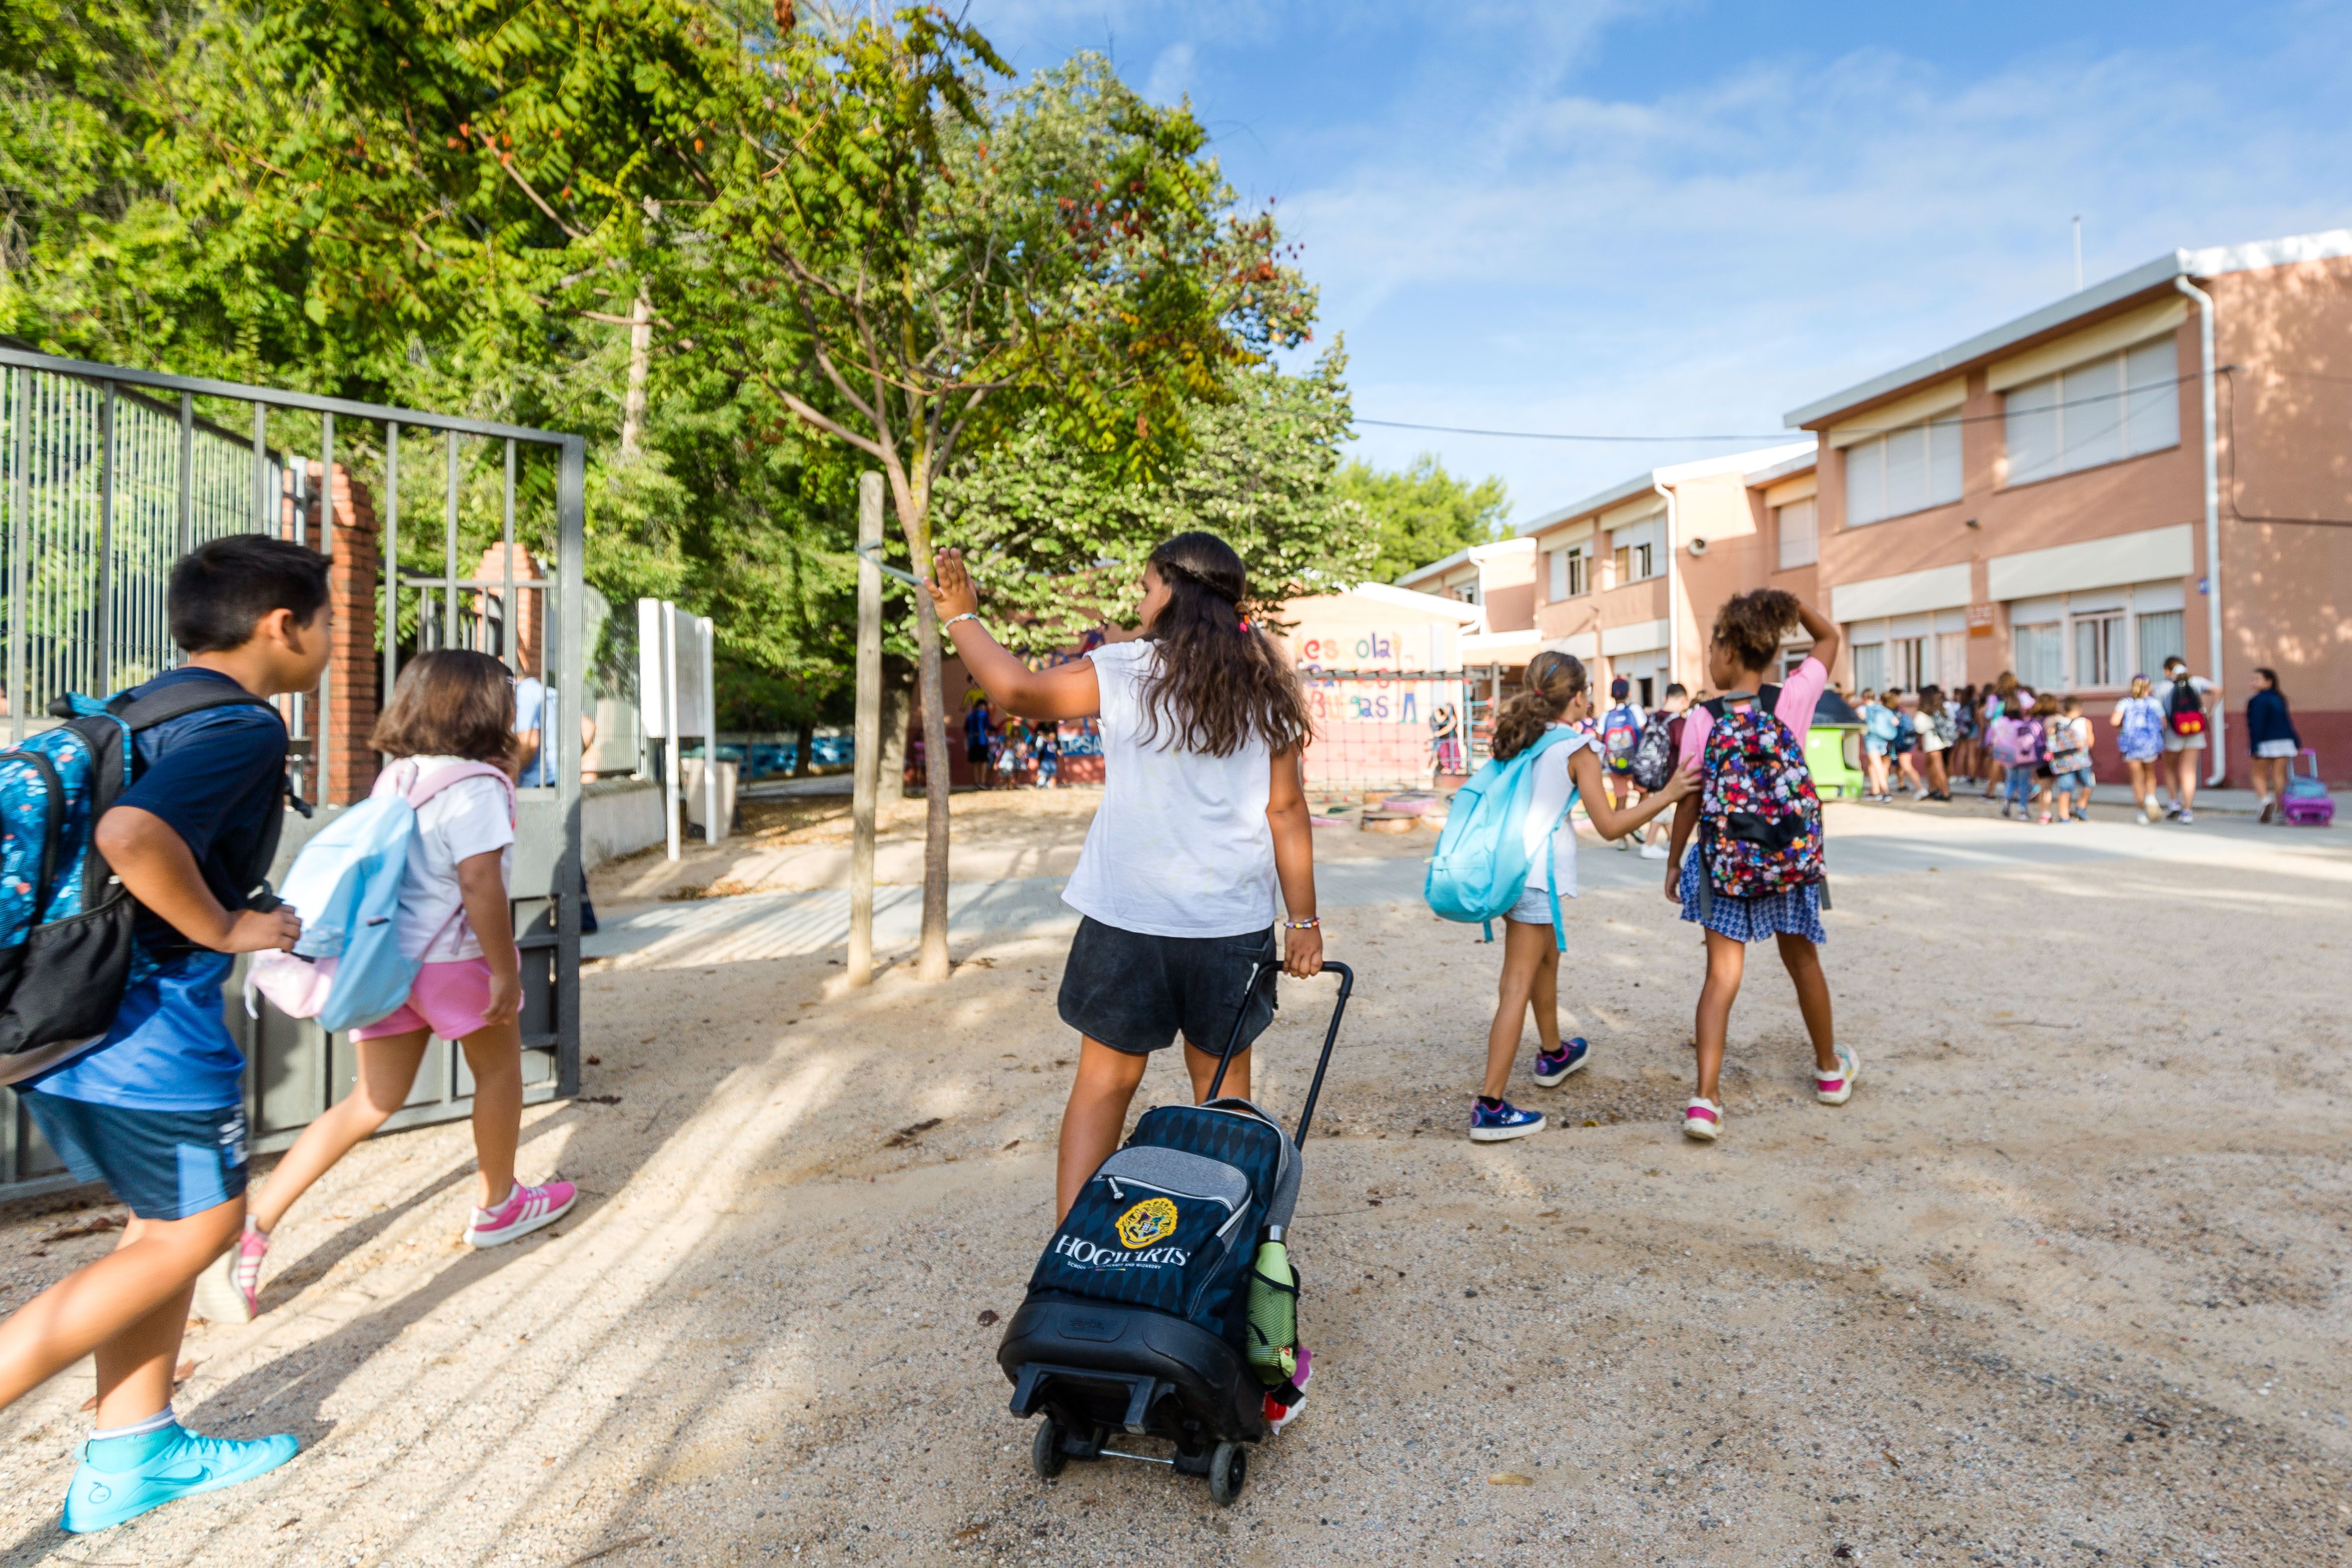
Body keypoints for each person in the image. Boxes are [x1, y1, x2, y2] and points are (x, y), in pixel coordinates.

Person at [0, 538, 323, 1532]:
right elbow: (130, 838)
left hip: (61, 1018)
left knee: (160, 1228)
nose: (329, 640)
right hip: (144, 1032)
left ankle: (134, 1449)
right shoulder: (242, 729)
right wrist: (227, 927)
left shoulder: (143, 707)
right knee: (200, 1228)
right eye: (328, 622)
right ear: (281, 625)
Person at [923, 533, 1322, 1225]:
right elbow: (1286, 809)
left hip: (1128, 919)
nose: (1138, 601)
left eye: (1145, 586)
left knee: (1105, 1083)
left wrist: (962, 614)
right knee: (1224, 1100)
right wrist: (1305, 922)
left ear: (1173, 589)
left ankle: (1070, 1260)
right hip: (1229, 926)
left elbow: (1016, 689)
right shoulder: (1269, 685)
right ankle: (1220, 1260)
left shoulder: (1126, 669)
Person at [209, 650, 578, 1323]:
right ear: (481, 707)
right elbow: (480, 885)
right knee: (498, 1075)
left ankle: (252, 1228)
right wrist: (503, 970)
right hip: (456, 960)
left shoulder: (398, 777)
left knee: (368, 1102)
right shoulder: (481, 787)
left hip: (383, 961)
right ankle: (499, 1203)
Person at [1467, 653, 1695, 1143]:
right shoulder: (1577, 749)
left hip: (1510, 872)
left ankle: (1553, 1053)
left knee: (1546, 960)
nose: (1589, 697)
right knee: (1517, 984)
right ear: (1574, 698)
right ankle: (1489, 1105)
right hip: (1532, 878)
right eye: (1586, 689)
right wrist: (1669, 793)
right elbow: (1611, 825)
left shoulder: (1521, 739)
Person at [1662, 590, 1853, 1144]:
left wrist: (1674, 862)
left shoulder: (1701, 718)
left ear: (1727, 650)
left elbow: (1690, 799)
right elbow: (1828, 637)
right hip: (1786, 859)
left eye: (1712, 647)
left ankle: (1705, 1100)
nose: (1709, 659)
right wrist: (1788, 605)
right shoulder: (1791, 699)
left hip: (1723, 863)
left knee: (1721, 977)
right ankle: (1828, 1071)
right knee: (1803, 963)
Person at [2156, 655, 2214, 823]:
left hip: (2173, 732)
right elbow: (2218, 690)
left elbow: (2160, 715)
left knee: (2170, 768)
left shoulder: (2162, 688)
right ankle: (2187, 810)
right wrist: (2208, 713)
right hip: (2195, 730)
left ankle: (2174, 802)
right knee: (2189, 771)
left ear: (2167, 671)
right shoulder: (2196, 682)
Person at [1637, 684, 1692, 859]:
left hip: (1650, 772)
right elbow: (1686, 750)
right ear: (1683, 700)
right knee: (1662, 806)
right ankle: (1649, 844)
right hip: (1668, 773)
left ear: (1665, 698)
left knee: (1664, 808)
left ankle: (1673, 841)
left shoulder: (1653, 717)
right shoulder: (1679, 723)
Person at [2110, 676, 2169, 822]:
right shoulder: (2154, 703)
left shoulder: (2125, 703)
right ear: (2148, 687)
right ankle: (2150, 797)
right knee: (2150, 774)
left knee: (2137, 778)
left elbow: (2114, 721)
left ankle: (2141, 811)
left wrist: (2124, 727)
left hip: (2131, 746)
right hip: (2150, 745)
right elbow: (2164, 723)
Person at [2246, 667, 2301, 824]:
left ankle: (2265, 800)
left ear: (2269, 681)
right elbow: (2287, 722)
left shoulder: (2257, 700)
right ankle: (2281, 810)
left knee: (2258, 774)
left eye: (2257, 679)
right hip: (2284, 742)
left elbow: (2256, 725)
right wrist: (2296, 742)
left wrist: (2255, 746)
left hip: (2265, 742)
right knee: (2279, 776)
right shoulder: (2279, 698)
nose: (2253, 682)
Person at [1599, 677, 1647, 849]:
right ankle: (1634, 823)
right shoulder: (1635, 710)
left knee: (1621, 799)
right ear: (1629, 693)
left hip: (1614, 765)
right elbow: (1644, 730)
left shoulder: (1606, 716)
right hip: (1636, 763)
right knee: (1645, 793)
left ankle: (1622, 838)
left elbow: (1600, 739)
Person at [2047, 694, 2096, 822]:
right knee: (2089, 784)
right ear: (2079, 709)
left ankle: (2064, 817)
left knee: (2065, 789)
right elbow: (2090, 743)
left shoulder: (2057, 722)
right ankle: (2081, 807)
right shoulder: (2085, 722)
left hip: (2063, 762)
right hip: (2082, 761)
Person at [1916, 684, 1954, 800]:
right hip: (1941, 741)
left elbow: (1919, 729)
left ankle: (1945, 792)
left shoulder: (1923, 713)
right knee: (1931, 766)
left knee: (1938, 768)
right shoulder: (1939, 709)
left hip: (1932, 743)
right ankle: (1933, 788)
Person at [1859, 688, 1896, 801]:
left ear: (1864, 698)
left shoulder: (1863, 709)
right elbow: (1895, 722)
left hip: (1872, 740)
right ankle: (1875, 791)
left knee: (1877, 766)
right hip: (1884, 740)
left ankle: (1886, 792)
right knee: (1873, 765)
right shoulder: (1882, 708)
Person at [1889, 689, 1925, 800]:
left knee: (1905, 765)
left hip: (1900, 743)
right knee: (1901, 765)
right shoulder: (1902, 712)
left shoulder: (1893, 713)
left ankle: (1920, 788)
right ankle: (1901, 785)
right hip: (1907, 742)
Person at [964, 698, 994, 788]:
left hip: (972, 742)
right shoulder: (984, 714)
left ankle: (977, 782)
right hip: (982, 742)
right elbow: (988, 726)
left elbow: (966, 730)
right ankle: (983, 782)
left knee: (975, 762)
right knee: (984, 761)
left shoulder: (969, 716)